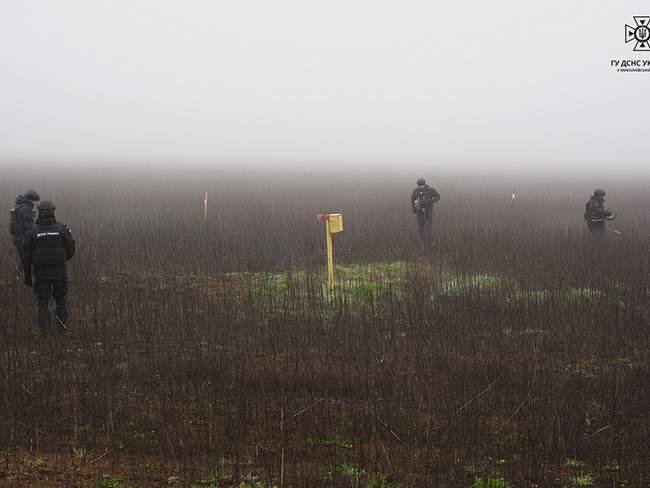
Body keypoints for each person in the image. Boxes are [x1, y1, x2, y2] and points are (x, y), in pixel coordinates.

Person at [23, 200, 76, 338]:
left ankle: (45, 335)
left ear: (39, 212)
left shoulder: (31, 232)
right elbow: (70, 250)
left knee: (42, 303)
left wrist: (28, 277)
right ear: (53, 210)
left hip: (41, 275)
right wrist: (61, 260)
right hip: (59, 272)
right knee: (60, 300)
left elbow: (26, 257)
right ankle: (61, 331)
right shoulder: (61, 229)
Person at [8, 190, 40, 273]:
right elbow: (29, 226)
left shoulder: (19, 206)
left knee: (24, 258)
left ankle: (18, 277)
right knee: (27, 259)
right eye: (36, 202)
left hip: (17, 238)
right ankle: (20, 277)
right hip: (22, 238)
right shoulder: (26, 209)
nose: (37, 205)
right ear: (32, 200)